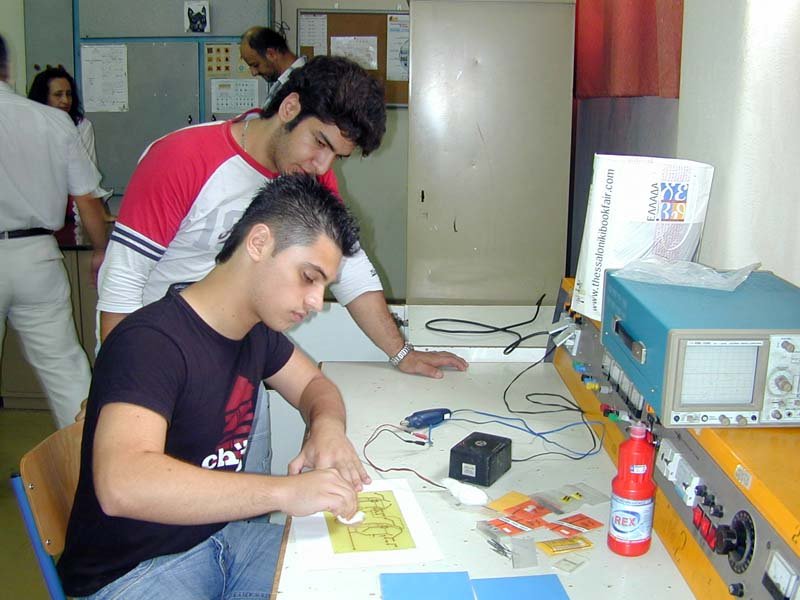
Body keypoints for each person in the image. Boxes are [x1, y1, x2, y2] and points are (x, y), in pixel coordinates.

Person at [58, 175, 369, 599]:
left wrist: (327, 429)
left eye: (324, 286)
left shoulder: (254, 332)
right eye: (308, 277)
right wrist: (283, 492)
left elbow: (314, 384)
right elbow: (122, 485)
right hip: (133, 573)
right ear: (258, 243)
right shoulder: (150, 342)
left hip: (216, 542)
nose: (316, 302)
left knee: (356, 576)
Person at [98, 55, 467, 378]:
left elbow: (350, 268)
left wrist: (402, 354)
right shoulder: (182, 158)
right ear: (290, 108)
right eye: (320, 142)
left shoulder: (309, 175)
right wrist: (124, 383)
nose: (322, 166)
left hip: (238, 356)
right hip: (158, 352)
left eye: (337, 156)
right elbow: (122, 282)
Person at [0, 34, 108, 428]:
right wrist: (101, 250)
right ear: (6, 68)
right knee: (66, 368)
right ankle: (88, 452)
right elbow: (87, 199)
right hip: (38, 256)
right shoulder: (52, 121)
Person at [27, 65, 114, 219]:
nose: (65, 100)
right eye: (58, 95)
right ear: (43, 98)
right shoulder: (26, 126)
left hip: (73, 203)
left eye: (69, 94)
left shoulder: (82, 126)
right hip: (35, 202)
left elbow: (88, 176)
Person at [240, 26, 308, 108]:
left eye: (255, 65)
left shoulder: (305, 84)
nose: (254, 73)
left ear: (271, 54)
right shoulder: (281, 84)